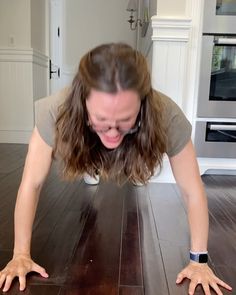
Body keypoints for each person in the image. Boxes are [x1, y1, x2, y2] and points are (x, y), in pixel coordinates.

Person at [0, 43, 232, 294]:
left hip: (134, 148)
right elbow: (31, 184)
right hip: (83, 143)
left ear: (142, 107)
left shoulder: (166, 114)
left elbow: (192, 190)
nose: (112, 132)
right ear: (83, 103)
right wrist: (20, 254)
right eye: (101, 120)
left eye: (124, 121)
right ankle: (92, 164)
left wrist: (199, 262)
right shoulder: (57, 111)